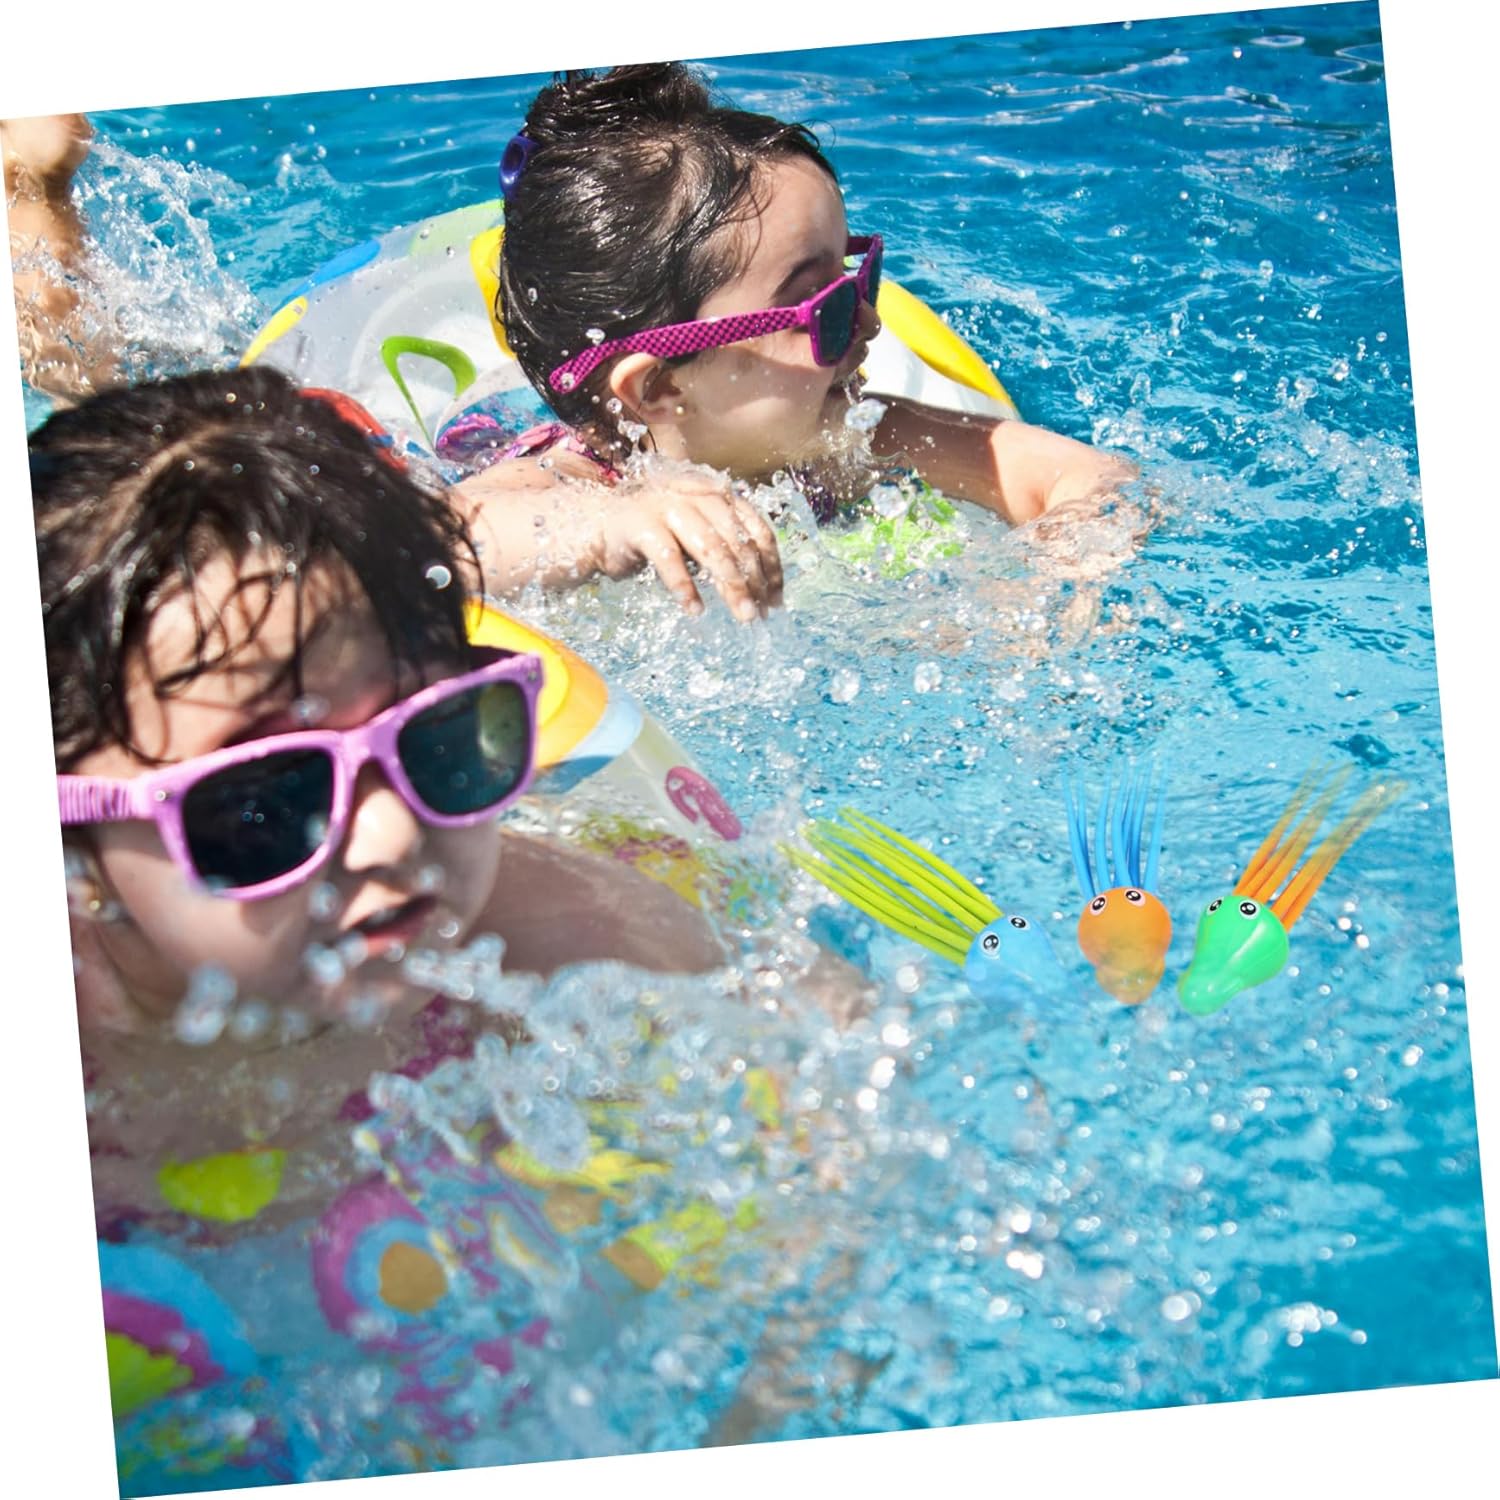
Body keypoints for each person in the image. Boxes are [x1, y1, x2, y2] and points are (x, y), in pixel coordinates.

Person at [36, 364, 728, 1233]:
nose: (393, 833)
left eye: (438, 739)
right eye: (264, 803)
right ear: (73, 853)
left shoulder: (548, 943)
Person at [454, 62, 1136, 620]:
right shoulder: (570, 485)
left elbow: (1089, 476)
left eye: (856, 280)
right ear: (660, 386)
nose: (868, 325)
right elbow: (437, 549)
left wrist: (1058, 578)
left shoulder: (845, 442)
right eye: (825, 311)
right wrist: (608, 529)